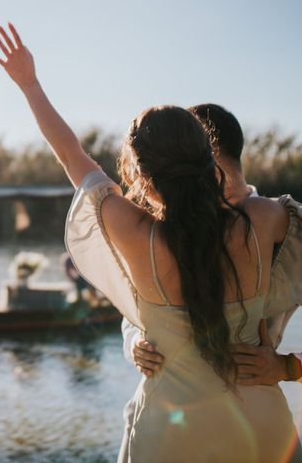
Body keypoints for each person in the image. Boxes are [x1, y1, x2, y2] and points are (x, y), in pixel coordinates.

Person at [0, 23, 300, 461]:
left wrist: (31, 85)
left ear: (141, 178)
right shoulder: (266, 219)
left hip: (172, 434)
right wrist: (289, 366)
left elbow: (71, 154)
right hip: (263, 431)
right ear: (208, 158)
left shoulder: (135, 235)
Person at [126, 105, 302, 384]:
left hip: (253, 409)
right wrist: (136, 342)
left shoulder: (285, 226)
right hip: (172, 409)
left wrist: (288, 368)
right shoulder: (167, 225)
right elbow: (135, 308)